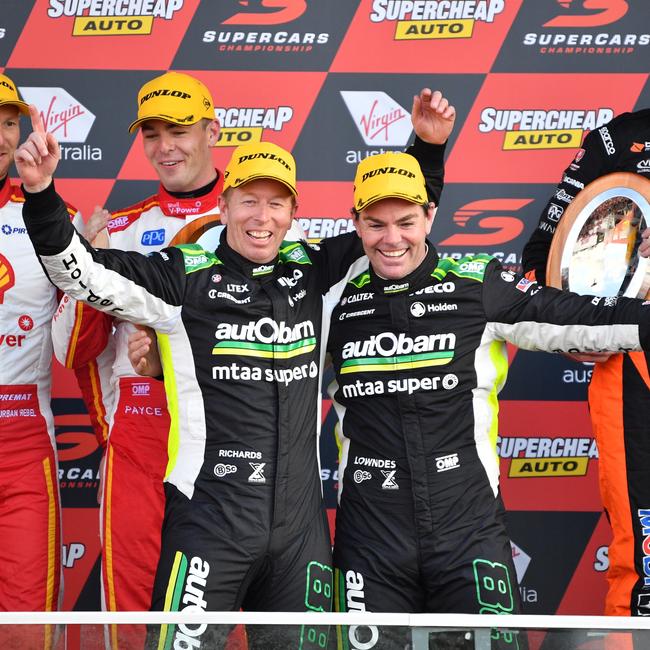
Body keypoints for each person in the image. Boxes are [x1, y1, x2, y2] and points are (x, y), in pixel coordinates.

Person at [15, 86, 451, 646]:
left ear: (295, 213)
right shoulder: (181, 274)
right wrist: (41, 193)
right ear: (224, 208)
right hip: (209, 521)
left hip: (300, 531)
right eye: (248, 201)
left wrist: (428, 150)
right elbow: (80, 272)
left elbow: (397, 222)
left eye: (276, 204)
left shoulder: (318, 267)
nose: (261, 217)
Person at [325, 150, 650, 650]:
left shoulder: (477, 283)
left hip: (468, 527)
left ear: (430, 216)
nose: (392, 239)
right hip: (369, 533)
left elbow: (569, 315)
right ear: (356, 224)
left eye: (407, 222)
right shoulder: (330, 301)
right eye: (375, 224)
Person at [50, 72, 225, 647]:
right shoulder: (119, 230)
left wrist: (180, 356)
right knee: (132, 602)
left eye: (178, 130)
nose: (165, 145)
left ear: (212, 130)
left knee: (225, 600)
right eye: (151, 133)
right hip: (141, 433)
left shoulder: (254, 221)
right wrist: (86, 266)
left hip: (231, 427)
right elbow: (71, 350)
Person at [522, 109, 650, 620]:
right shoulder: (620, 142)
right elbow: (542, 262)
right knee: (644, 562)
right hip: (636, 379)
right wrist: (570, 329)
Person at [0, 73, 81, 646]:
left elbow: (81, 339)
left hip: (20, 433)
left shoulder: (50, 216)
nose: (3, 135)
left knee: (26, 618)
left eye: (8, 123)